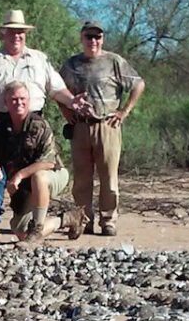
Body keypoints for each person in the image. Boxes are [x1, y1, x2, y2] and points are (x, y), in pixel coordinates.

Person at [0, 9, 84, 239]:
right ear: (3, 33)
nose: (17, 36)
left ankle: (37, 217)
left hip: (32, 124)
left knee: (33, 172)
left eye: (20, 32)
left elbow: (56, 89)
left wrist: (73, 102)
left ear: (25, 34)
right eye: (12, 32)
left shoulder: (39, 59)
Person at [58, 20, 146, 237]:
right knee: (81, 179)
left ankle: (108, 221)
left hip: (108, 126)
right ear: (82, 38)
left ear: (103, 39)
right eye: (89, 36)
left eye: (98, 37)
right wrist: (67, 114)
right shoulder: (71, 65)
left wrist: (124, 111)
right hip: (80, 127)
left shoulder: (114, 61)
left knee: (109, 178)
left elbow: (138, 84)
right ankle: (83, 220)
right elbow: (57, 90)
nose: (93, 41)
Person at [0, 81, 70, 246]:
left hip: (54, 174)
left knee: (38, 176)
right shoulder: (2, 129)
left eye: (22, 98)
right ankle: (66, 219)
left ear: (29, 100)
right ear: (6, 102)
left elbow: (48, 162)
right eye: (13, 99)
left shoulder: (38, 125)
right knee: (20, 231)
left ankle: (37, 230)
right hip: (26, 185)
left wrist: (19, 175)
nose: (18, 102)